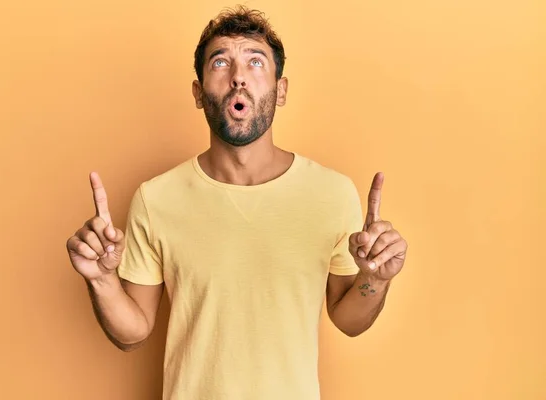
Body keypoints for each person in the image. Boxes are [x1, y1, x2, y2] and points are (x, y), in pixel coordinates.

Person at [66, 5, 408, 400]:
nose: (239, 77)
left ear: (281, 91)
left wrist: (376, 279)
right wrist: (101, 280)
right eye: (220, 62)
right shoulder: (156, 198)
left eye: (256, 61)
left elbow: (349, 321)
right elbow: (133, 333)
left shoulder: (332, 193)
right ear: (198, 92)